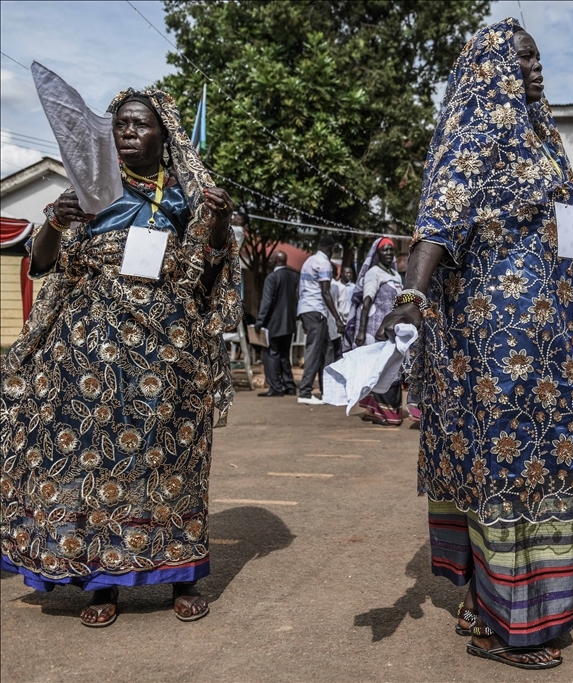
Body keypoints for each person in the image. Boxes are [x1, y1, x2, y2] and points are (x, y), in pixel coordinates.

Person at [378, 18, 573, 670]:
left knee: (553, 473)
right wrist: (414, 293)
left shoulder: (546, 142)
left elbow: (565, 245)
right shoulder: (474, 139)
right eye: (520, 61)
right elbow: (438, 221)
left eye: (537, 59)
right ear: (489, 73)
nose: (534, 70)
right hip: (499, 351)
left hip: (562, 353)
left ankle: (505, 604)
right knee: (506, 473)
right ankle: (500, 624)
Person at [0, 88, 242, 626]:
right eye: (120, 126)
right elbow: (42, 264)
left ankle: (182, 576)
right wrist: (57, 223)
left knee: (169, 459)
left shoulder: (190, 198)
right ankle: (104, 586)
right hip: (92, 354)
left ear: (165, 135)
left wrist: (220, 225)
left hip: (169, 352)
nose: (127, 133)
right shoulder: (88, 191)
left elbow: (208, 273)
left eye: (139, 125)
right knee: (100, 457)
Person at [351, 237, 403, 425]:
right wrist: (361, 333)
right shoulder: (374, 273)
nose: (389, 253)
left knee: (389, 369)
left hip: (391, 331)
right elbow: (366, 303)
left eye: (391, 250)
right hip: (375, 330)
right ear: (377, 253)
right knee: (382, 370)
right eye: (385, 250)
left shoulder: (396, 276)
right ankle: (385, 414)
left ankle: (374, 410)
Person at [296, 234, 344, 405]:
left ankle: (327, 391)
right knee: (315, 350)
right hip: (316, 310)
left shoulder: (308, 262)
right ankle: (305, 392)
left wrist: (302, 315)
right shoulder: (324, 264)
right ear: (330, 249)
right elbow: (325, 292)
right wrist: (337, 319)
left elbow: (299, 289)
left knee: (327, 348)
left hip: (307, 310)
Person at [254, 250, 299, 396]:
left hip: (274, 323)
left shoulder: (272, 278)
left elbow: (267, 302)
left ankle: (275, 387)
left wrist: (260, 321)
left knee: (271, 354)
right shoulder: (294, 277)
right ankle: (289, 385)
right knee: (284, 354)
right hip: (289, 323)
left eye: (272, 258)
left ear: (275, 261)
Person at [331, 264, 356, 354]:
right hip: (338, 317)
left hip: (348, 317)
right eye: (347, 273)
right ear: (341, 274)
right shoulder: (337, 286)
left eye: (350, 273)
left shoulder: (354, 287)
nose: (349, 275)